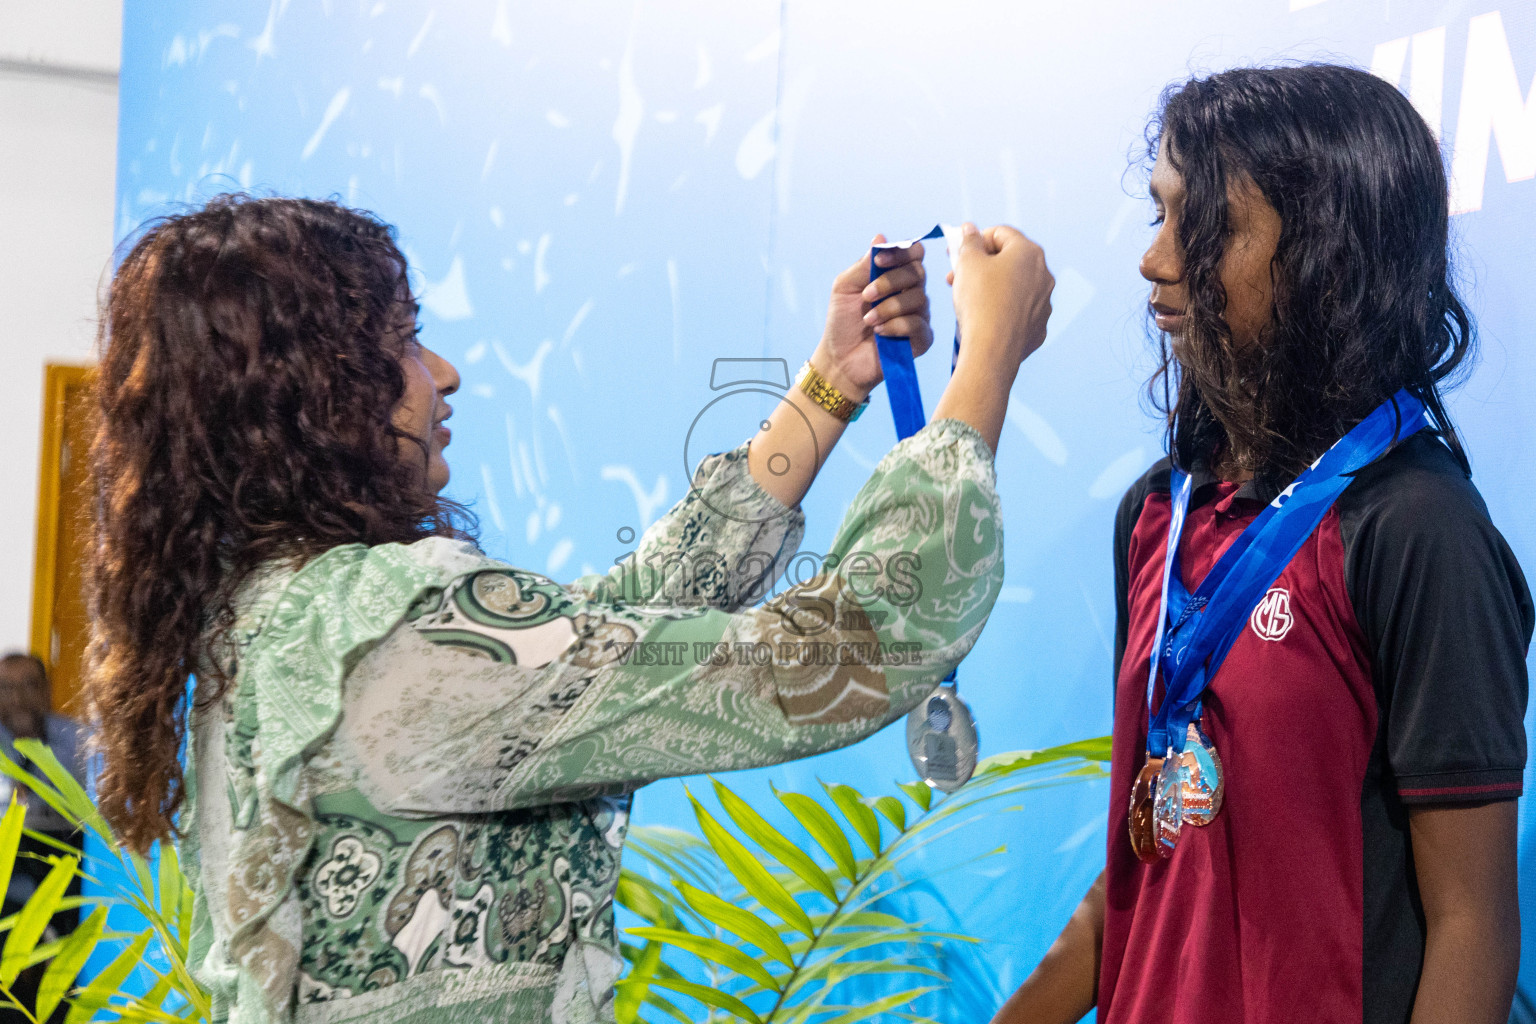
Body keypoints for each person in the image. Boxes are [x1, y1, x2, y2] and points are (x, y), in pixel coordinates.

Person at [85, 195, 1054, 1024]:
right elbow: (838, 650)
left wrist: (833, 381)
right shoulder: (392, 643)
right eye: (401, 342)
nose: (442, 372)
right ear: (313, 400)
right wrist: (988, 364)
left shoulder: (286, 615)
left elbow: (615, 625)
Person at [991, 65, 1530, 1024]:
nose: (1156, 260)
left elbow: (1473, 929)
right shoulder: (1158, 514)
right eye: (1159, 215)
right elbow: (1144, 868)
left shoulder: (1416, 529)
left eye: (1206, 227)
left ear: (1328, 254)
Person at [0, 653, 90, 1024]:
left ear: (48, 690)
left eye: (30, 685)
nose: (19, 698)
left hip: (67, 854)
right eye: (6, 688)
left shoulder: (81, 741)